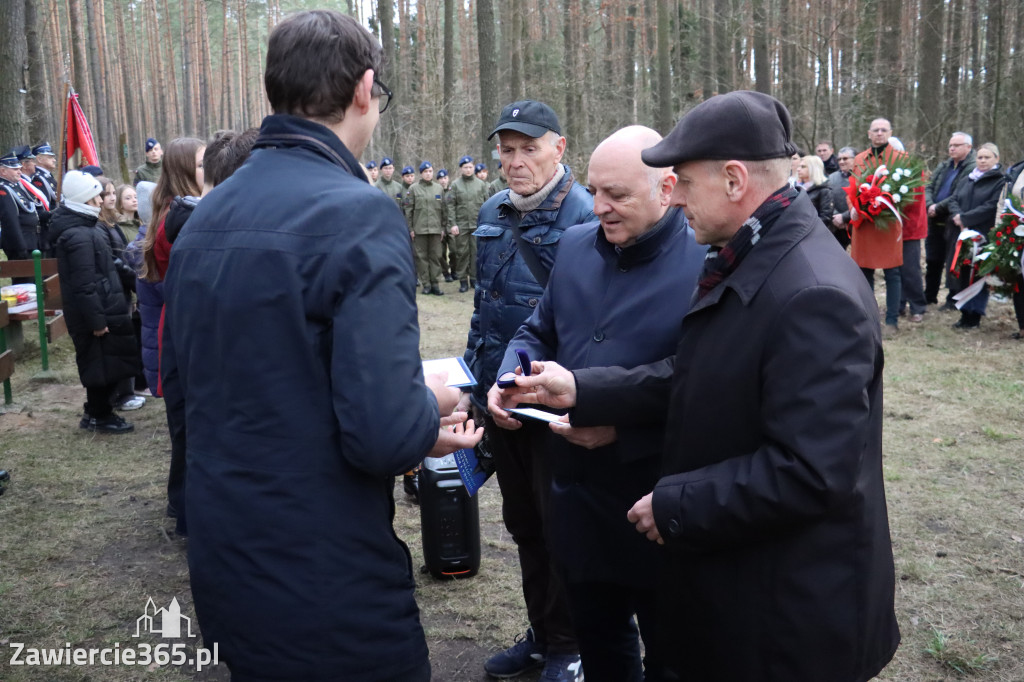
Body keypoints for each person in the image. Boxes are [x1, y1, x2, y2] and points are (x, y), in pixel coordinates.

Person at [509, 90, 901, 682]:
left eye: (684, 181)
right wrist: (585, 392)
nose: (677, 195)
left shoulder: (812, 291)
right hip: (749, 586)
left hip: (791, 617)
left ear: (736, 179)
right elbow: (698, 374)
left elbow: (811, 470)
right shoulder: (754, 255)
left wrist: (675, 504)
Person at [162, 11, 480, 681]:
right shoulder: (356, 214)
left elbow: (195, 390)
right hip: (326, 570)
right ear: (365, 89)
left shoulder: (206, 214)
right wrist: (431, 410)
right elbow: (385, 436)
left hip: (226, 552)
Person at [488, 125, 707, 682]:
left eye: (618, 195)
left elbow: (704, 384)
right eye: (595, 190)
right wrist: (512, 376)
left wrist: (623, 432)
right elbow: (539, 328)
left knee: (673, 657)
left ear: (667, 188)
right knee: (600, 646)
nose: (600, 207)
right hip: (574, 502)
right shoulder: (577, 245)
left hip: (656, 505)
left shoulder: (706, 264)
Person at [463, 99, 594, 682]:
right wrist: (473, 383)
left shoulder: (587, 217)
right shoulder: (493, 211)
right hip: (501, 401)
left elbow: (595, 324)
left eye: (529, 149)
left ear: (559, 149)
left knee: (563, 526)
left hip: (553, 406)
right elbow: (483, 310)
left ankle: (573, 644)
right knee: (523, 524)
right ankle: (543, 634)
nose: (515, 162)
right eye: (507, 150)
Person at [51, 171, 140, 434]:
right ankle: (99, 416)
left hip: (105, 307)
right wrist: (97, 321)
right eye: (95, 198)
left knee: (107, 364)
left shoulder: (87, 230)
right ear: (83, 201)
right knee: (100, 366)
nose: (101, 202)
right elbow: (84, 284)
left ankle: (97, 412)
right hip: (97, 314)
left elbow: (106, 266)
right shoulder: (79, 236)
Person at [96, 176, 145, 412]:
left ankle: (126, 391)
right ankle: (121, 395)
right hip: (113, 289)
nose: (112, 197)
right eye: (107, 194)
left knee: (126, 339)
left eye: (113, 192)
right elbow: (113, 260)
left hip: (122, 288)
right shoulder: (100, 225)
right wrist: (136, 282)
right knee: (119, 341)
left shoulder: (111, 223)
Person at [948, 142, 1008, 329]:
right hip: (963, 233)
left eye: (987, 157)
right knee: (964, 273)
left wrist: (966, 218)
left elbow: (991, 206)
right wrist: (958, 217)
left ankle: (975, 315)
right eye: (980, 157)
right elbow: (954, 199)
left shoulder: (1001, 181)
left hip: (984, 234)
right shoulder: (969, 178)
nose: (982, 161)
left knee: (979, 274)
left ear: (996, 159)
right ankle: (964, 313)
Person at [925, 132, 976, 307]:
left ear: (968, 147)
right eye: (950, 145)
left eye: (957, 145)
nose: (952, 148)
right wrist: (930, 204)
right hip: (934, 219)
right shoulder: (944, 165)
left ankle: (953, 298)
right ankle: (929, 295)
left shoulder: (971, 167)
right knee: (932, 259)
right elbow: (929, 186)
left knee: (953, 261)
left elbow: (959, 193)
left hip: (953, 220)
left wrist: (938, 207)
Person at [447, 155, 490, 292]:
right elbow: (450, 206)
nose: (468, 170)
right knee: (462, 253)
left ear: (474, 168)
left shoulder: (481, 185)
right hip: (461, 225)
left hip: (477, 224)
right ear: (461, 169)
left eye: (470, 167)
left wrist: (486, 223)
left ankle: (474, 279)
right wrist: (453, 224)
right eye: (465, 167)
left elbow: (487, 205)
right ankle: (462, 280)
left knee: (476, 253)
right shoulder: (455, 185)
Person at [404, 161, 447, 295]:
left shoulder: (438, 188)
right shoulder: (413, 189)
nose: (428, 174)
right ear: (421, 173)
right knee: (421, 257)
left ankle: (435, 284)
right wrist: (410, 228)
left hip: (435, 228)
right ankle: (426, 284)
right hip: (419, 229)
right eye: (425, 172)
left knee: (436, 256)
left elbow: (444, 210)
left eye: (430, 171)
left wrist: (443, 228)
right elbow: (408, 210)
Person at [0, 150, 41, 272]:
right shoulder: (3, 189)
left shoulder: (17, 186)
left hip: (32, 240)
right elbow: (10, 221)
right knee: (25, 283)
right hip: (22, 243)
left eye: (19, 168)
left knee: (35, 281)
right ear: (3, 171)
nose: (19, 171)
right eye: (15, 169)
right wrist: (20, 247)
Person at [828, 146, 857, 248]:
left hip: (857, 225)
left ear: (855, 159)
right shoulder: (831, 178)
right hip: (836, 227)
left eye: (845, 158)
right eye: (839, 159)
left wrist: (845, 217)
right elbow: (827, 200)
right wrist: (837, 217)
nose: (841, 162)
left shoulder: (862, 177)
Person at [796, 154, 834, 231]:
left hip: (815, 233)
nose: (798, 169)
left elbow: (826, 217)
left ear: (813, 169)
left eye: (803, 167)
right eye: (799, 166)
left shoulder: (824, 190)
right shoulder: (797, 188)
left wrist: (806, 228)